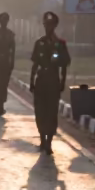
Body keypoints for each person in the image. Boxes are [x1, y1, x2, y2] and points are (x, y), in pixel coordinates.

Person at [30, 10, 71, 154]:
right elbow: (35, 64)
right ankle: (42, 139)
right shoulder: (39, 42)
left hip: (53, 80)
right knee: (40, 111)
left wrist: (62, 82)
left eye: (50, 25)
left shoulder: (60, 44)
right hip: (41, 80)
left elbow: (64, 65)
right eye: (45, 25)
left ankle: (49, 142)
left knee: (51, 111)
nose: (47, 27)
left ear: (54, 26)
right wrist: (31, 81)